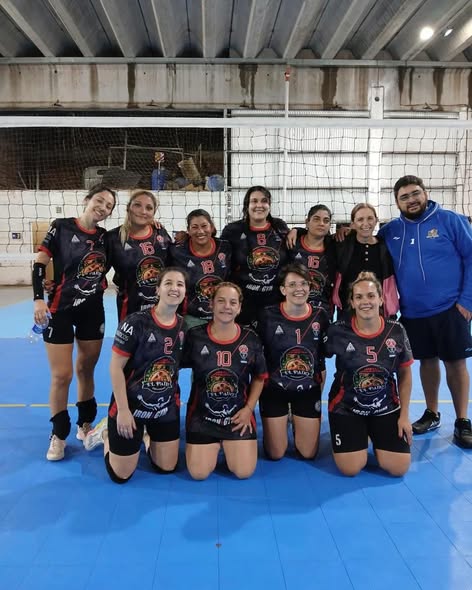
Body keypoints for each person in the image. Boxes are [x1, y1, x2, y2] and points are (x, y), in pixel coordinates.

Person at [378, 175, 472, 448]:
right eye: (404, 197)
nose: (411, 200)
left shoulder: (450, 220)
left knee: (455, 362)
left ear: (425, 193)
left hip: (451, 308)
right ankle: (432, 413)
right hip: (413, 312)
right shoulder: (391, 231)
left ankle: (462, 420)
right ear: (397, 202)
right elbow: (366, 244)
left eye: (415, 193)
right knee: (427, 362)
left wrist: (467, 302)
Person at [32, 185, 116, 461]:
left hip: (92, 310)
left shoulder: (106, 238)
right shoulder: (61, 227)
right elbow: (40, 264)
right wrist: (38, 299)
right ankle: (58, 434)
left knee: (86, 369)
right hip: (60, 310)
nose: (103, 207)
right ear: (87, 199)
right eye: (100, 200)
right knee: (62, 375)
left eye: (109, 206)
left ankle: (85, 424)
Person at [84, 268, 187, 483]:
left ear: (185, 291)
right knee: (121, 475)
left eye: (180, 284)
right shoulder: (135, 322)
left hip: (164, 407)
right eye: (168, 283)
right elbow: (115, 367)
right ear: (157, 289)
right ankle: (106, 433)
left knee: (167, 467)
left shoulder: (184, 327)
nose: (174, 288)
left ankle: (146, 436)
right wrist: (123, 410)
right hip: (131, 406)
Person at [324, 272, 413, 477]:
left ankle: (371, 434)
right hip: (347, 408)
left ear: (381, 299)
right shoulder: (337, 331)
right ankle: (356, 434)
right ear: (352, 302)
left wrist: (404, 416)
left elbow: (405, 373)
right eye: (359, 297)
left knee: (398, 468)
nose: (366, 301)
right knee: (351, 469)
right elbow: (317, 360)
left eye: (371, 296)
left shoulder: (396, 331)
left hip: (385, 407)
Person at [183, 282, 267, 480]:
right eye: (221, 301)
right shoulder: (195, 337)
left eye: (232, 302)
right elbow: (171, 367)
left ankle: (227, 444)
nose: (226, 307)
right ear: (211, 305)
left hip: (237, 418)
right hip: (202, 418)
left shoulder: (250, 339)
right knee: (199, 473)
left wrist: (248, 410)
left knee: (243, 472)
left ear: (239, 308)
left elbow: (259, 377)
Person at [257, 264, 329, 460]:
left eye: (304, 283)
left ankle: (299, 418)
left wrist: (318, 393)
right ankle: (283, 417)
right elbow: (257, 359)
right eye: (292, 284)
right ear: (283, 289)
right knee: (275, 454)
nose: (299, 289)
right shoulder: (268, 315)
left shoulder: (320, 315)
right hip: (274, 389)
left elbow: (322, 361)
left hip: (307, 390)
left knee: (308, 453)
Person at [220, 186, 289, 325]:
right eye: (254, 201)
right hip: (244, 302)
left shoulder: (279, 227)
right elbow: (218, 256)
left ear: (269, 205)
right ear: (247, 205)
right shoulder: (233, 230)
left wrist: (298, 230)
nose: (259, 205)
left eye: (264, 201)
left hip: (274, 301)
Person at [107, 190, 172, 321]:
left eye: (149, 208)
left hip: (162, 308)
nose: (143, 211)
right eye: (137, 205)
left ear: (153, 213)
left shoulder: (161, 233)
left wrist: (185, 237)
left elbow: (176, 265)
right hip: (130, 310)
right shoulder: (113, 238)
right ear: (128, 208)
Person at [332, 203, 399, 319]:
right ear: (353, 223)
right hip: (348, 312)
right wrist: (299, 231)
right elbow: (316, 237)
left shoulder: (385, 246)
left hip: (378, 312)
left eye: (370, 218)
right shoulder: (342, 244)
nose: (365, 223)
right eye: (360, 219)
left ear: (376, 220)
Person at [168, 209, 231, 328]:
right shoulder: (177, 251)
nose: (200, 231)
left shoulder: (225, 247)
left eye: (204, 226)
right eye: (195, 227)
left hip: (223, 314)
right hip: (192, 316)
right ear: (188, 230)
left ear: (211, 227)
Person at [287, 205, 336, 317]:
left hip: (322, 310)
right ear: (307, 222)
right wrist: (296, 229)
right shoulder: (292, 243)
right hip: (293, 308)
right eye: (316, 219)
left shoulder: (335, 248)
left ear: (330, 225)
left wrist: (346, 230)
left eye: (326, 220)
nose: (321, 223)